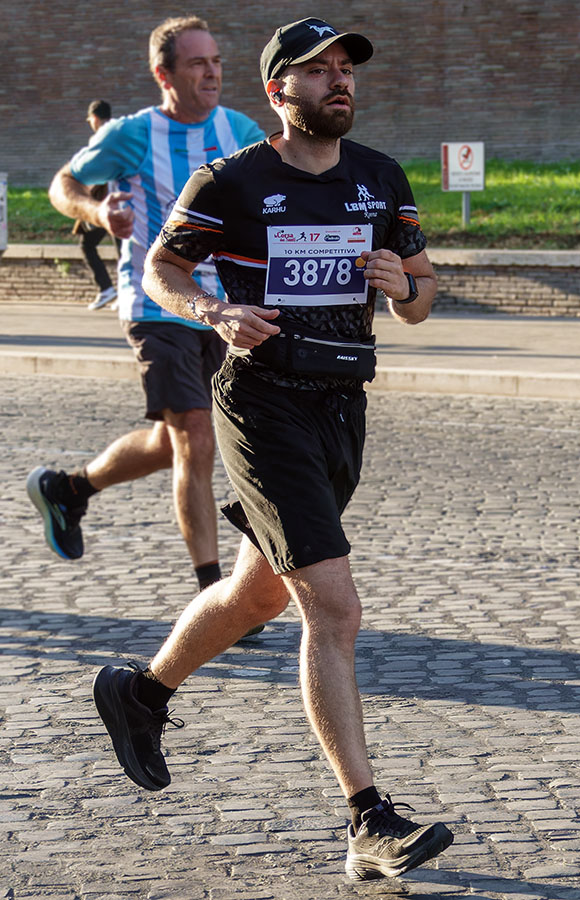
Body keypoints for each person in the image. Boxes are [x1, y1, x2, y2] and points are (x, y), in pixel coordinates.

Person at [91, 17, 454, 881]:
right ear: (277, 91)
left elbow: (423, 294)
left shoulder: (380, 177)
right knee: (332, 607)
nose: (340, 81)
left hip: (341, 408)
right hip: (261, 405)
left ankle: (140, 692)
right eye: (318, 70)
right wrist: (214, 310)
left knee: (257, 593)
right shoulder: (233, 180)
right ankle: (368, 820)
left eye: (346, 68)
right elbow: (162, 269)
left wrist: (404, 287)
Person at [26, 16, 265, 596]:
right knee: (196, 438)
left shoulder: (240, 129)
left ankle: (69, 489)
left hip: (226, 309)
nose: (212, 73)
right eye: (197, 63)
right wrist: (98, 212)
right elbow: (63, 185)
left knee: (175, 440)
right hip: (158, 304)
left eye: (216, 61)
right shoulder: (131, 135)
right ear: (164, 74)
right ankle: (212, 595)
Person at [72, 99, 120, 311]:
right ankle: (115, 290)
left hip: (108, 203)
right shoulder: (119, 134)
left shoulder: (102, 137)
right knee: (122, 250)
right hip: (118, 201)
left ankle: (109, 289)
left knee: (88, 244)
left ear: (94, 118)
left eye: (90, 119)